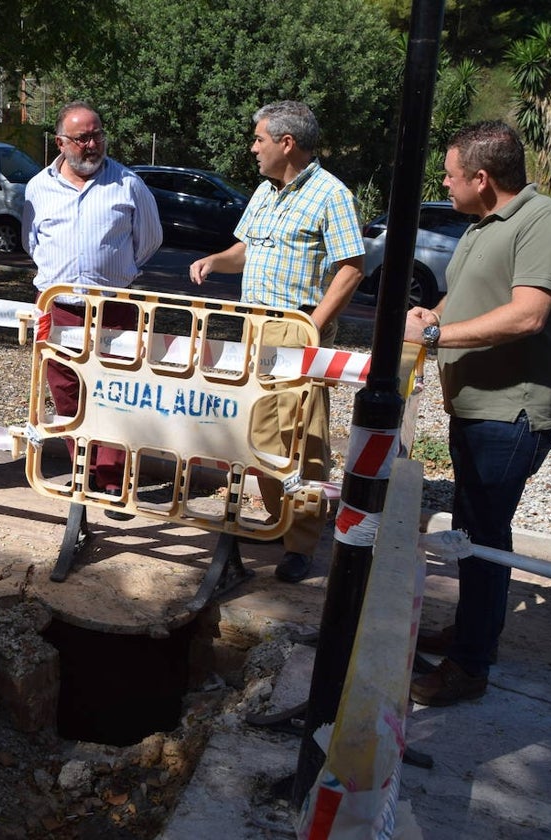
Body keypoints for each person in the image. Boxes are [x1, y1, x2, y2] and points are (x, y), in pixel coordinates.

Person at [404, 122, 551, 706]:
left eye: (449, 174)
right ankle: (471, 634)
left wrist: (439, 333)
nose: (443, 182)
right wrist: (430, 317)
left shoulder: (543, 221)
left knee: (486, 535)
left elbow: (528, 316)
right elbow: (463, 297)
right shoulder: (481, 226)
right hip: (478, 407)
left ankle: (470, 667)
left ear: (481, 177)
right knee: (472, 530)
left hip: (511, 411)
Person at [188, 101, 365, 582]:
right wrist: (215, 261)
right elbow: (246, 249)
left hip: (295, 329)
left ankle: (300, 542)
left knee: (300, 440)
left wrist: (312, 325)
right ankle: (279, 519)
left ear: (286, 143)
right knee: (258, 433)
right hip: (254, 328)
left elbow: (352, 267)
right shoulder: (267, 191)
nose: (253, 148)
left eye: (259, 139)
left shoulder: (332, 195)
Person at [22, 101, 163, 520]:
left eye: (97, 134)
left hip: (116, 309)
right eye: (82, 137)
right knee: (67, 394)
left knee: (114, 396)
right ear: (61, 142)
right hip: (59, 310)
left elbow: (149, 240)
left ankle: (115, 482)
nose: (92, 144)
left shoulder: (129, 184)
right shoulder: (37, 187)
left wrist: (114, 273)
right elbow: (33, 243)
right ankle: (83, 471)